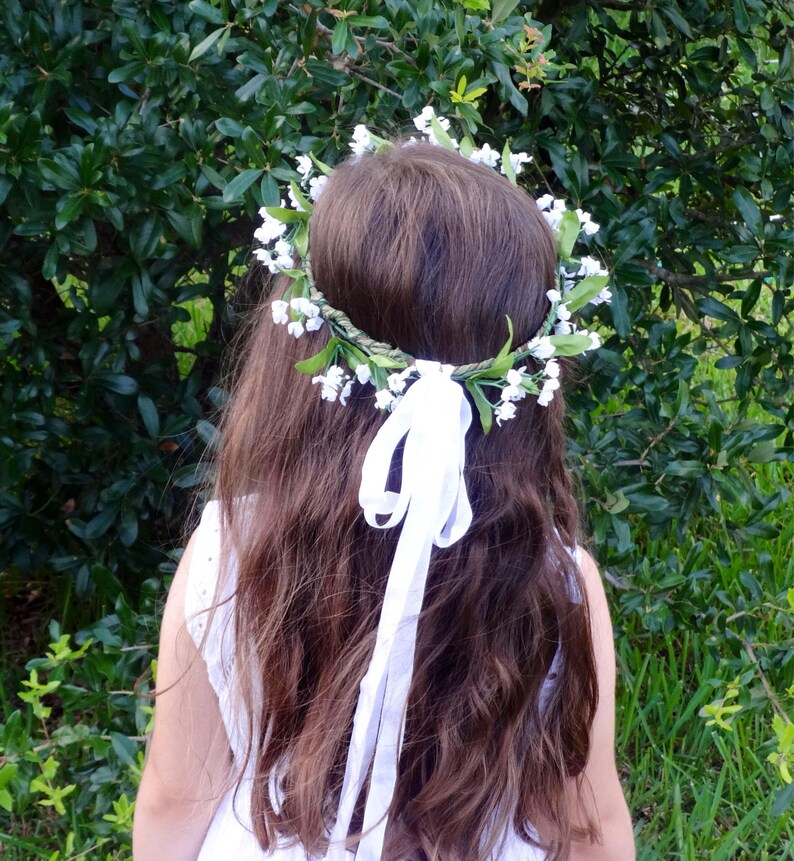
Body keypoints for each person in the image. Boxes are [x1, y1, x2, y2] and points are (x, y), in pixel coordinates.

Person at [132, 123, 635, 860]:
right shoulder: (558, 581)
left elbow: (179, 796)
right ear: (524, 386)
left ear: (298, 350)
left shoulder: (228, 552)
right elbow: (583, 822)